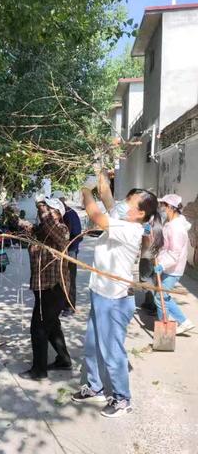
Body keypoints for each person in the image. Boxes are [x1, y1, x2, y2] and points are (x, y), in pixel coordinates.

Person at [72, 175, 163, 418]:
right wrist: (100, 164)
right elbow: (106, 195)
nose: (122, 204)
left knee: (112, 352)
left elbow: (96, 215)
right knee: (92, 347)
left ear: (140, 214)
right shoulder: (122, 218)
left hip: (113, 300)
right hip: (99, 293)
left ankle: (123, 399)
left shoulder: (129, 229)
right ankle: (94, 387)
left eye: (129, 202)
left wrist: (84, 189)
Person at [19, 196, 72, 381]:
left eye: (47, 209)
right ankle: (64, 360)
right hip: (43, 288)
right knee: (52, 326)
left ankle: (39, 370)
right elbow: (31, 230)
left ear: (56, 212)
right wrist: (16, 219)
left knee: (39, 328)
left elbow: (50, 225)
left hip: (54, 288)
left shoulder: (61, 230)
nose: (42, 212)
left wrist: (42, 205)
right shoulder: (44, 231)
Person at [154, 194, 195, 335]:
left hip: (172, 269)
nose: (162, 209)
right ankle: (166, 324)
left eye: (163, 205)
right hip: (167, 265)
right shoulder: (170, 223)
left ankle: (180, 323)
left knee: (160, 297)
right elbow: (166, 245)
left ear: (171, 207)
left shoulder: (176, 228)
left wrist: (162, 265)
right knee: (161, 296)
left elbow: (174, 253)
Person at [51, 191, 82, 315]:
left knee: (69, 279)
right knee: (60, 279)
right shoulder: (58, 215)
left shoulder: (70, 214)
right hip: (59, 251)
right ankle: (60, 304)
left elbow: (78, 236)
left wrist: (67, 247)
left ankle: (69, 306)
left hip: (70, 252)